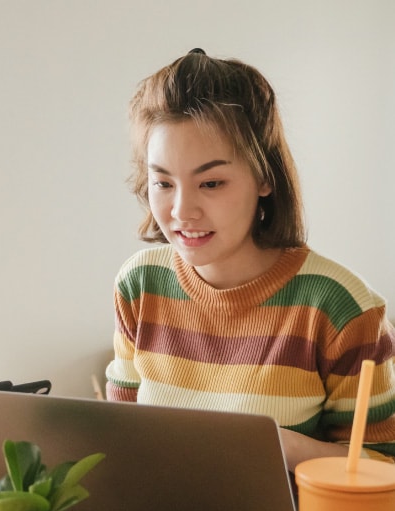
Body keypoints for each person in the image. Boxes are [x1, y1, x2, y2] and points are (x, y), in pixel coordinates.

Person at [106, 49, 395, 471]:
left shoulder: (340, 307)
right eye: (162, 182)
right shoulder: (139, 283)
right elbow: (120, 438)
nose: (182, 210)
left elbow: (383, 467)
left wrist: (282, 448)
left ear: (264, 177)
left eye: (211, 182)